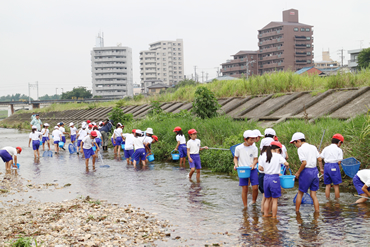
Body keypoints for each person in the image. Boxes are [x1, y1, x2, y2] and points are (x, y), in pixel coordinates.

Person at [290, 132, 323, 212]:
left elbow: (304, 163)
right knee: (313, 195)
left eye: (294, 143)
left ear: (298, 141)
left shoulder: (300, 149)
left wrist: (298, 173)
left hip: (306, 172)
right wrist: (321, 169)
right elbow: (319, 159)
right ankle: (317, 213)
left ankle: (297, 212)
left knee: (300, 193)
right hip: (315, 171)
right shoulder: (313, 147)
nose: (295, 145)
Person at [259, 141, 289, 218]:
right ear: (277, 149)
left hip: (266, 178)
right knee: (275, 200)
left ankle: (265, 215)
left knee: (267, 199)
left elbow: (260, 168)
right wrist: (287, 167)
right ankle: (274, 217)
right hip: (274, 178)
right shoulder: (278, 156)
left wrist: (266, 169)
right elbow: (286, 164)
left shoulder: (263, 155)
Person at [233, 130, 258, 207]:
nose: (253, 141)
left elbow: (256, 159)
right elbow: (235, 158)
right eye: (251, 139)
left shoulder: (254, 148)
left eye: (254, 139)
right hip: (243, 169)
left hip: (252, 169)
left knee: (255, 187)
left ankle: (254, 200)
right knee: (244, 188)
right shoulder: (238, 148)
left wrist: (253, 164)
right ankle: (245, 206)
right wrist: (236, 165)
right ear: (245, 139)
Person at [318, 134, 344, 199]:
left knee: (327, 185)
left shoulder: (326, 148)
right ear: (339, 142)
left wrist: (321, 168)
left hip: (326, 166)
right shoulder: (339, 150)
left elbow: (320, 159)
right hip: (334, 166)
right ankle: (337, 201)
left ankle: (327, 200)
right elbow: (339, 161)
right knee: (336, 185)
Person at [258, 138, 273, 212]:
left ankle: (263, 211)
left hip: (262, 176)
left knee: (265, 195)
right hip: (267, 176)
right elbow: (260, 168)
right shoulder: (270, 155)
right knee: (268, 196)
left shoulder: (261, 155)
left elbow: (259, 168)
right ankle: (267, 213)